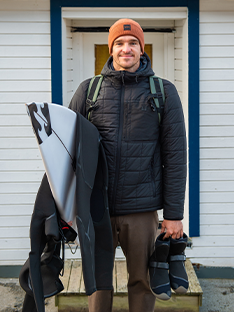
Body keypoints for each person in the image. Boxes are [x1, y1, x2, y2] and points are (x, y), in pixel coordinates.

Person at [69, 18, 187, 312]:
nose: (126, 49)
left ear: (141, 47)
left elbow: (176, 156)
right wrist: (66, 207)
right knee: (98, 283)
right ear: (111, 50)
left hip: (143, 210)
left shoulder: (163, 92)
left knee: (143, 283)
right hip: (98, 208)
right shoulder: (89, 91)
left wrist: (173, 215)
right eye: (119, 43)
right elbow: (68, 152)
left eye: (132, 42)